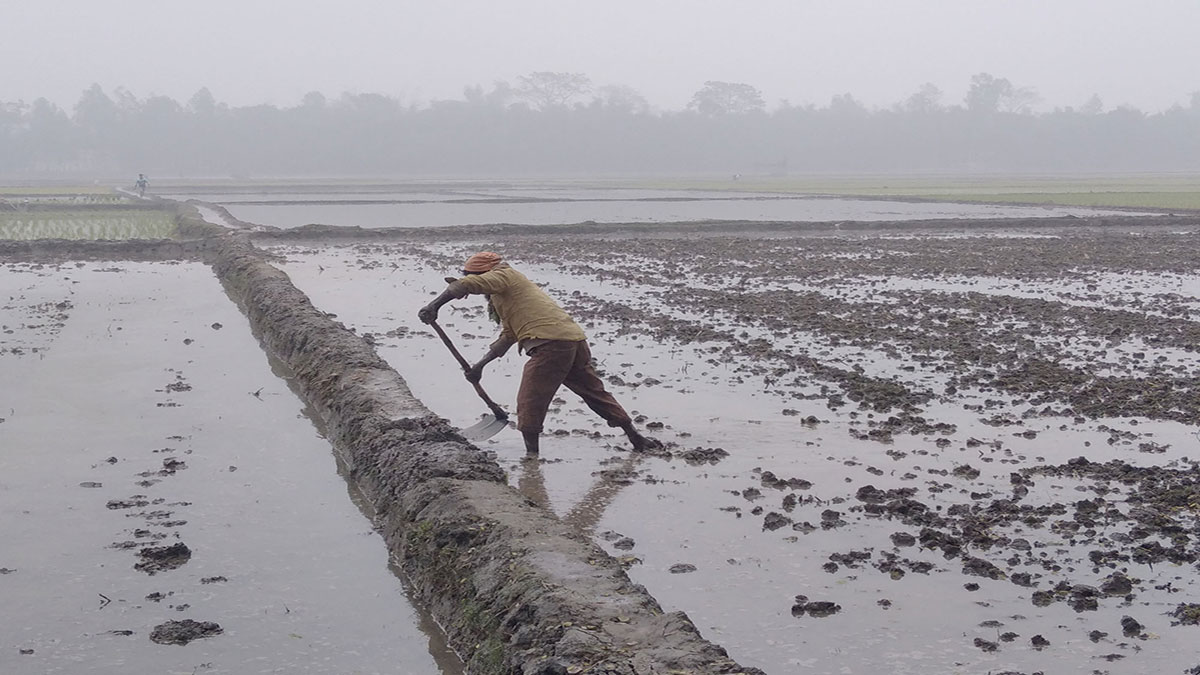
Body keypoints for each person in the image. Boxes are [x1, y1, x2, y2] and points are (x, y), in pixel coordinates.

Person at [418, 251, 661, 456]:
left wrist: (433, 306)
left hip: (551, 345)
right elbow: (509, 335)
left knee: (530, 400)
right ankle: (636, 439)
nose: (477, 291)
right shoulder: (505, 293)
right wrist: (480, 365)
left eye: (476, 280)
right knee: (594, 392)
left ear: (485, 275)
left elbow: (464, 285)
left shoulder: (504, 275)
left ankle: (531, 459)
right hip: (571, 340)